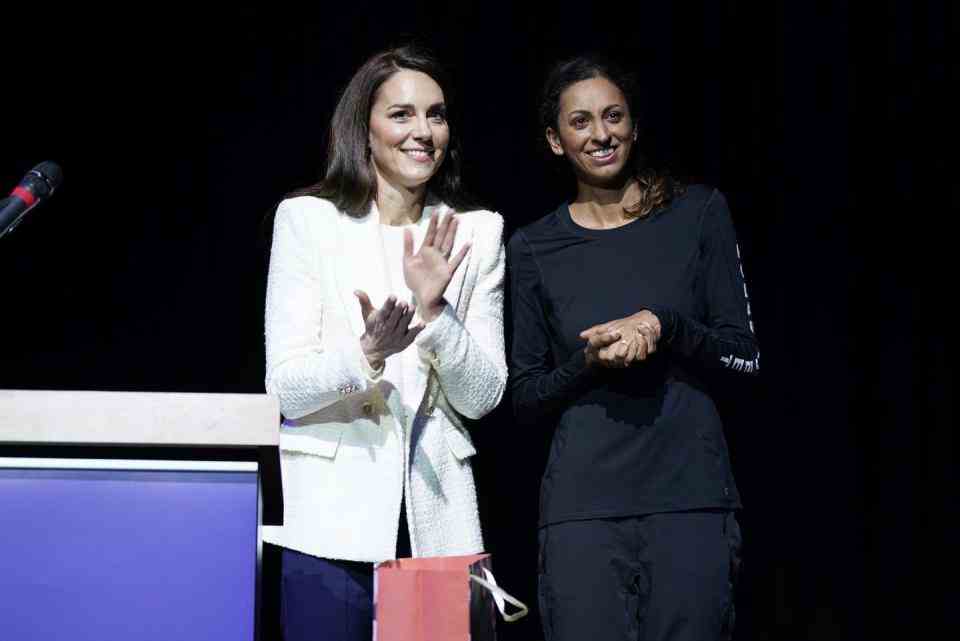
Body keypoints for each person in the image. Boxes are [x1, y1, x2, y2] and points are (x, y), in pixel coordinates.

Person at [507, 55, 759, 641]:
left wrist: (666, 325)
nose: (601, 134)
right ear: (554, 139)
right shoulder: (534, 247)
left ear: (635, 124)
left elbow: (746, 360)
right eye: (581, 122)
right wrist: (587, 362)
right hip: (583, 512)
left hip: (690, 503)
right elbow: (524, 397)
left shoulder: (699, 213)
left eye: (614, 116)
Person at [262, 45, 507, 641]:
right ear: (363, 129)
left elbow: (484, 397)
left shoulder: (479, 230)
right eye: (401, 114)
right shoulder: (307, 220)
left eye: (437, 114)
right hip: (325, 521)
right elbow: (286, 389)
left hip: (437, 516)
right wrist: (367, 354)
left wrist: (436, 314)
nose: (423, 131)